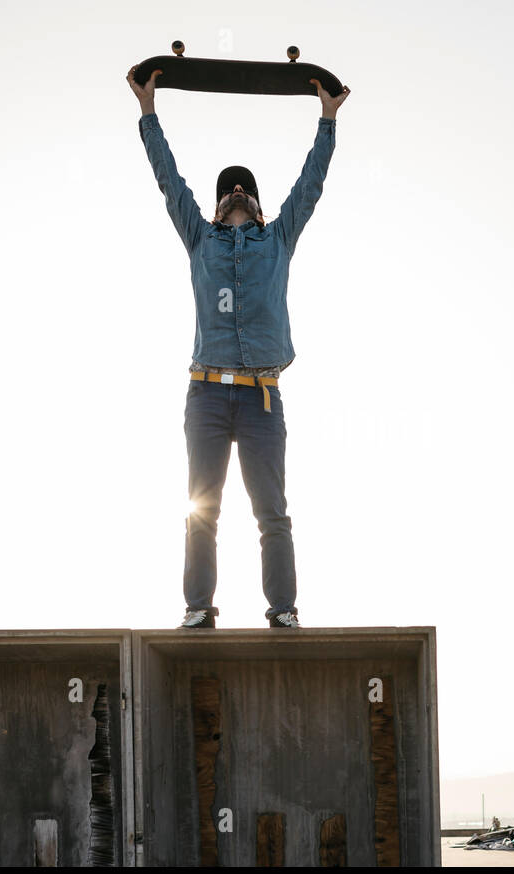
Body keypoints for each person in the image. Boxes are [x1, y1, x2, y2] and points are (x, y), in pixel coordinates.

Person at [127, 65, 350, 629]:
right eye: (228, 190)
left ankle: (283, 612)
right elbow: (168, 181)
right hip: (205, 392)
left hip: (261, 399)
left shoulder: (277, 240)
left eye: (244, 189)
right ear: (216, 203)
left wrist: (327, 120)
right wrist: (149, 114)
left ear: (257, 201)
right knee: (202, 510)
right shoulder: (199, 238)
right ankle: (198, 609)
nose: (236, 195)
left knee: (271, 512)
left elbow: (310, 187)